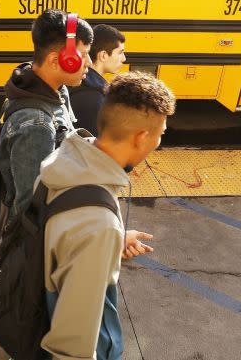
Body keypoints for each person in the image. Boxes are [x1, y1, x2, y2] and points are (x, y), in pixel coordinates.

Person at [39, 71, 176, 359]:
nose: (159, 142)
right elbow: (71, 345)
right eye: (160, 134)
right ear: (141, 137)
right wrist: (106, 237)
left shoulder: (66, 161)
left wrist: (113, 242)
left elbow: (60, 241)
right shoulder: (98, 226)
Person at [0, 9, 94, 222]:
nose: (90, 63)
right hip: (41, 244)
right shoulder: (35, 126)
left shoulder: (54, 90)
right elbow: (31, 211)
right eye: (83, 54)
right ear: (55, 60)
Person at [69, 24, 126, 136]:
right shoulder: (94, 96)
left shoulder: (79, 83)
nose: (124, 58)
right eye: (120, 52)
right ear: (103, 55)